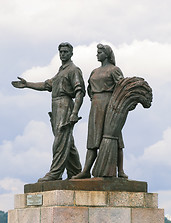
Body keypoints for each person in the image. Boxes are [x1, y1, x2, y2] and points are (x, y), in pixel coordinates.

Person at [12, 42, 85, 182]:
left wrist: (74, 112)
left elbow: (80, 92)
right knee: (67, 141)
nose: (62, 54)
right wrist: (27, 84)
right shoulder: (60, 71)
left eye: (65, 52)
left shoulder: (74, 70)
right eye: (61, 52)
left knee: (60, 140)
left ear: (71, 53)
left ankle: (55, 173)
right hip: (56, 106)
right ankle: (76, 172)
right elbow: (46, 85)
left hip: (65, 105)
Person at [73, 43, 128, 179]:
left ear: (107, 54)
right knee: (93, 139)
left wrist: (116, 104)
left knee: (115, 138)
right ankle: (86, 170)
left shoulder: (114, 70)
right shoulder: (94, 71)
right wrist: (95, 99)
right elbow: (90, 89)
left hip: (110, 105)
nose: (97, 54)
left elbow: (122, 87)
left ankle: (120, 171)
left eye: (100, 52)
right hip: (96, 105)